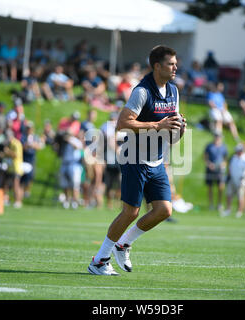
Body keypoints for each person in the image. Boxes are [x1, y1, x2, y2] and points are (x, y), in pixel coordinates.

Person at [87, 45, 186, 275]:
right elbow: (122, 124)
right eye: (171, 63)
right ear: (157, 66)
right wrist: (157, 125)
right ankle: (99, 261)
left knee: (164, 210)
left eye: (175, 63)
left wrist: (179, 129)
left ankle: (123, 243)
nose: (175, 67)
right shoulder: (142, 91)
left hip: (157, 160)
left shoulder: (173, 91)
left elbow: (171, 135)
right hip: (134, 158)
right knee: (130, 212)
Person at [223, 142, 245, 218]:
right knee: (229, 194)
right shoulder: (234, 157)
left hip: (241, 180)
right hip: (232, 179)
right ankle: (228, 210)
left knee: (241, 196)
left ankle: (239, 211)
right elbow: (230, 166)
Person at [204, 131, 228, 211]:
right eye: (216, 136)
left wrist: (223, 164)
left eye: (219, 136)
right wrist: (209, 164)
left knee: (220, 186)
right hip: (210, 169)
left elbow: (225, 159)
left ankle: (219, 204)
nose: (217, 138)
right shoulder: (209, 146)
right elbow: (205, 157)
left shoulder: (224, 147)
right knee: (210, 187)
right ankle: (211, 204)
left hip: (220, 170)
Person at [1, 129, 24, 209]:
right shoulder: (10, 144)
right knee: (7, 184)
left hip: (16, 168)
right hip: (11, 168)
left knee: (16, 185)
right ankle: (6, 199)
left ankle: (18, 201)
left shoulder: (16, 143)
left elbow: (16, 155)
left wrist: (7, 152)